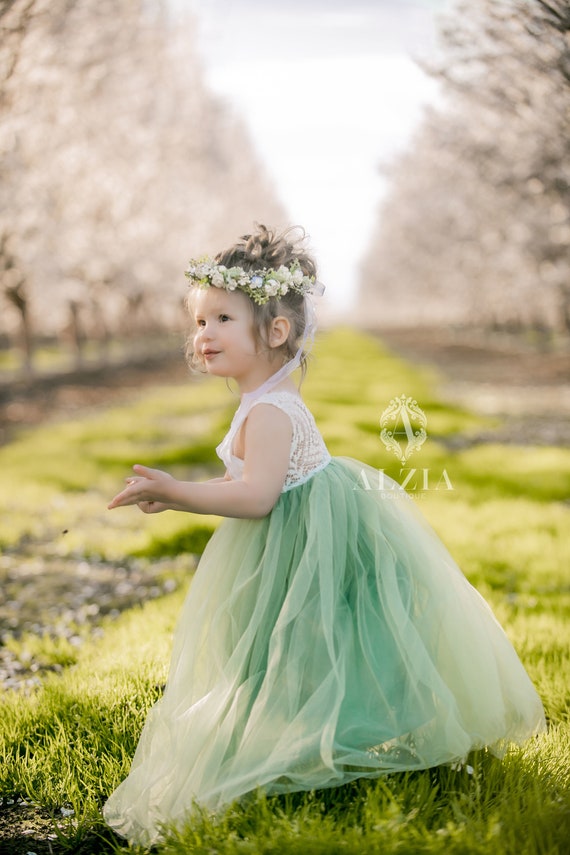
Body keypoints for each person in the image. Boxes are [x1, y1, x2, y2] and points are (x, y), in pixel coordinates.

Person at [103, 224, 546, 847]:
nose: (202, 336)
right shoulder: (267, 401)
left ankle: (305, 748)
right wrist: (190, 487)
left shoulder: (269, 410)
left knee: (287, 646)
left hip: (294, 540)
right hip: (298, 533)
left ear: (275, 332)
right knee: (288, 647)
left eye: (221, 318)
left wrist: (180, 494)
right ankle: (304, 738)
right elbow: (256, 481)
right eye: (198, 321)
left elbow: (255, 498)